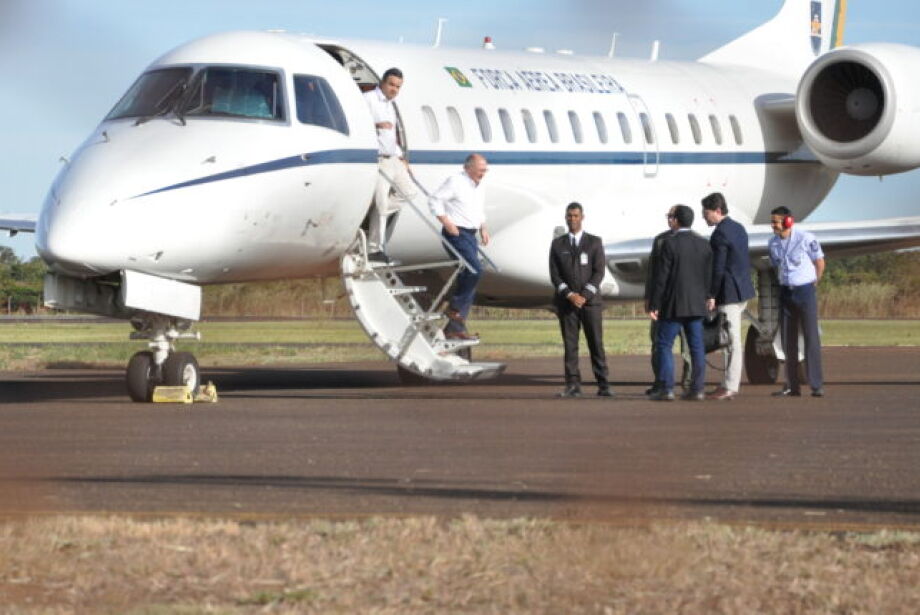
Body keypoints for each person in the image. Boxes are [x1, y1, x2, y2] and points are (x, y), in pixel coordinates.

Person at [647, 205, 712, 401]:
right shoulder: (704, 244)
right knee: (697, 347)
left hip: (673, 305)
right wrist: (709, 296)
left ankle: (667, 388)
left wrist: (654, 304)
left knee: (664, 344)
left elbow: (662, 277)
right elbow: (709, 276)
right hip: (696, 305)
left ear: (676, 220)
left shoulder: (669, 244)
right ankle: (698, 389)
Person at [548, 202, 612, 398]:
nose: (572, 219)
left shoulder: (594, 242)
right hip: (567, 304)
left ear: (582, 217)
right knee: (570, 345)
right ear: (565, 218)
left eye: (576, 216)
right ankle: (573, 384)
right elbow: (555, 274)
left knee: (596, 344)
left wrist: (584, 295)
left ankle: (603, 385)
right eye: (569, 216)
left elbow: (599, 272)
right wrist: (570, 295)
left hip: (590, 304)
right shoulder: (558, 244)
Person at [429, 153, 490, 340]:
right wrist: (446, 222)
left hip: (470, 235)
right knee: (474, 270)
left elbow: (477, 209)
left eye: (485, 170)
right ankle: (454, 308)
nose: (483, 173)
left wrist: (483, 228)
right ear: (468, 168)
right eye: (480, 170)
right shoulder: (455, 181)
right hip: (456, 234)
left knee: (469, 281)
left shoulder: (478, 186)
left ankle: (455, 328)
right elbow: (434, 200)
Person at [701, 192, 755, 400]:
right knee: (730, 339)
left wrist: (712, 294)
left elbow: (718, 268)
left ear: (717, 211)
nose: (704, 217)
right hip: (743, 290)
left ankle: (731, 386)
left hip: (729, 294)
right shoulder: (738, 228)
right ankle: (728, 383)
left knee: (731, 341)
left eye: (706, 213)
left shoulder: (719, 234)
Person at [768, 206, 825, 397]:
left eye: (775, 221)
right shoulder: (773, 243)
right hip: (786, 293)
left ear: (788, 221)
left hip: (805, 291)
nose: (772, 225)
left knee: (811, 338)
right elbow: (777, 264)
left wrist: (813, 282)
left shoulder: (806, 238)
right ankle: (792, 386)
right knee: (787, 341)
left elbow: (820, 262)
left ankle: (816, 385)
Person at [363, 68, 417, 261]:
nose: (394, 89)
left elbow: (391, 136)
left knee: (409, 192)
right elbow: (358, 125)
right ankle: (374, 249)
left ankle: (370, 212)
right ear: (383, 83)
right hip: (378, 159)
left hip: (393, 157)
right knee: (381, 202)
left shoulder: (391, 104)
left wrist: (402, 156)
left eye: (398, 87)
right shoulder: (368, 99)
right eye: (391, 85)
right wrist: (376, 125)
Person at [645, 205, 692, 396]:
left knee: (688, 346)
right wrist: (650, 298)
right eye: (668, 216)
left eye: (671, 216)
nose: (669, 219)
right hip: (663, 302)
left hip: (686, 302)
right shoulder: (660, 240)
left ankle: (688, 383)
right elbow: (653, 273)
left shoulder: (694, 240)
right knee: (658, 342)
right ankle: (661, 382)